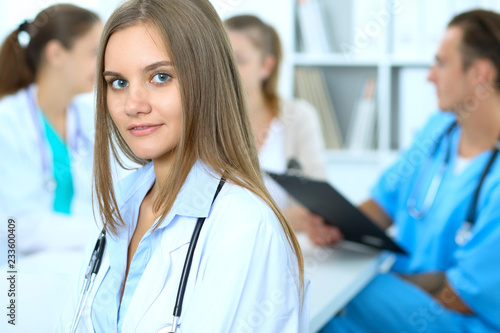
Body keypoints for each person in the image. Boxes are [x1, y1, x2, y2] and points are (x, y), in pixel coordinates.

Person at [56, 0, 309, 332]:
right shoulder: (120, 205)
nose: (133, 104)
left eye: (160, 77)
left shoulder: (244, 226)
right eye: (118, 82)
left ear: (207, 81)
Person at [321, 9, 500, 332]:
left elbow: (462, 294)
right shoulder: (437, 130)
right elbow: (381, 204)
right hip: (398, 302)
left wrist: (379, 290)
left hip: (456, 318)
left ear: (481, 74)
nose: (430, 75)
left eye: (441, 63)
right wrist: (333, 223)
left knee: (331, 306)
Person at [224, 15, 340, 246]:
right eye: (219, 58)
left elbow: (318, 207)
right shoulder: (205, 121)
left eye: (238, 60)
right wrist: (284, 218)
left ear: (266, 66)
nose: (226, 69)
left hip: (286, 248)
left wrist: (249, 224)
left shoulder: (298, 117)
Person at [0, 4, 102, 256]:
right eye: (93, 53)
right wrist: (99, 234)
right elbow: (17, 226)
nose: (102, 65)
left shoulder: (89, 119)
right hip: (18, 273)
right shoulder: (8, 123)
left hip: (77, 262)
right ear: (56, 53)